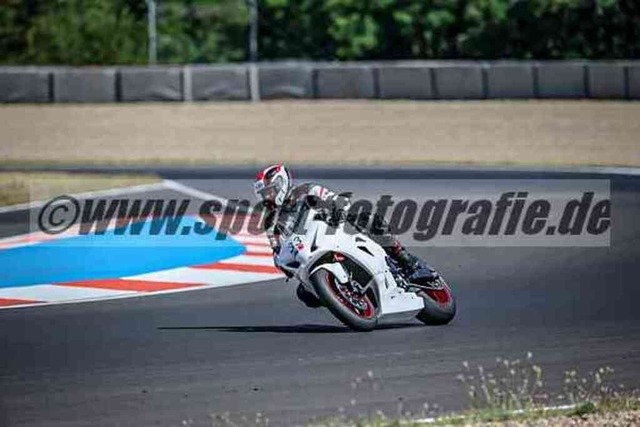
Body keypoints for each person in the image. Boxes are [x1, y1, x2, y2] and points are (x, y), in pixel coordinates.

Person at [253, 164, 436, 308]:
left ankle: (407, 261)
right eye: (264, 194)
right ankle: (340, 296)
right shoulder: (271, 222)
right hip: (311, 251)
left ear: (281, 183)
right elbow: (277, 250)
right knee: (304, 294)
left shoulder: (307, 190)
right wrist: (284, 264)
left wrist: (339, 210)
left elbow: (336, 199)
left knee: (370, 220)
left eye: (270, 191)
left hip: (334, 229)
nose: (267, 197)